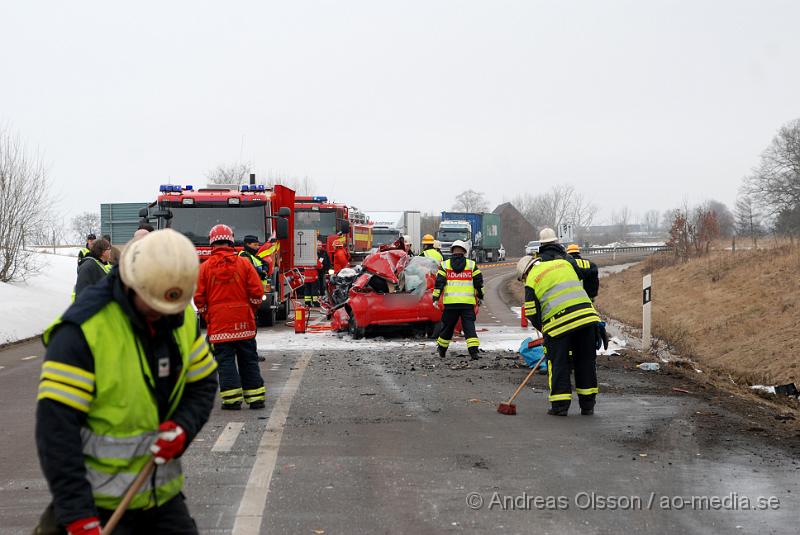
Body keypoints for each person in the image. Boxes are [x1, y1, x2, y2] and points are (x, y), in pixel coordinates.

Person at [35, 229, 218, 534]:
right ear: (132, 284)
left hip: (162, 499)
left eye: (169, 307)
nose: (162, 315)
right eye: (154, 306)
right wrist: (79, 517)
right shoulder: (81, 333)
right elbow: (56, 432)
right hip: (99, 507)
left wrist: (183, 427)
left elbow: (202, 383)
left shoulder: (178, 315)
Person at [517, 228, 601, 417]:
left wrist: (545, 330)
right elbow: (588, 274)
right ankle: (587, 406)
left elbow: (531, 312)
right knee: (585, 362)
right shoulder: (565, 263)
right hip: (587, 319)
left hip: (559, 326)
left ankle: (560, 406)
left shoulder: (532, 278)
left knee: (559, 364)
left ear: (525, 271)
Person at [194, 224, 266, 410]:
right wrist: (251, 308)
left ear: (212, 242)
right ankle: (255, 397)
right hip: (244, 321)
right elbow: (257, 292)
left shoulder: (205, 267)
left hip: (219, 324)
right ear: (231, 241)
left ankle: (232, 399)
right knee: (248, 358)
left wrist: (208, 315)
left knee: (225, 360)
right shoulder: (244, 264)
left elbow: (199, 298)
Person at [432, 240, 483, 359]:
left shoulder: (445, 265)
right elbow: (479, 283)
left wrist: (435, 298)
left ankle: (442, 350)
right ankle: (473, 352)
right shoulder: (471, 265)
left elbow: (439, 283)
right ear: (465, 252)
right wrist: (480, 297)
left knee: (447, 328)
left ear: (452, 251)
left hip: (450, 304)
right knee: (469, 328)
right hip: (467, 304)